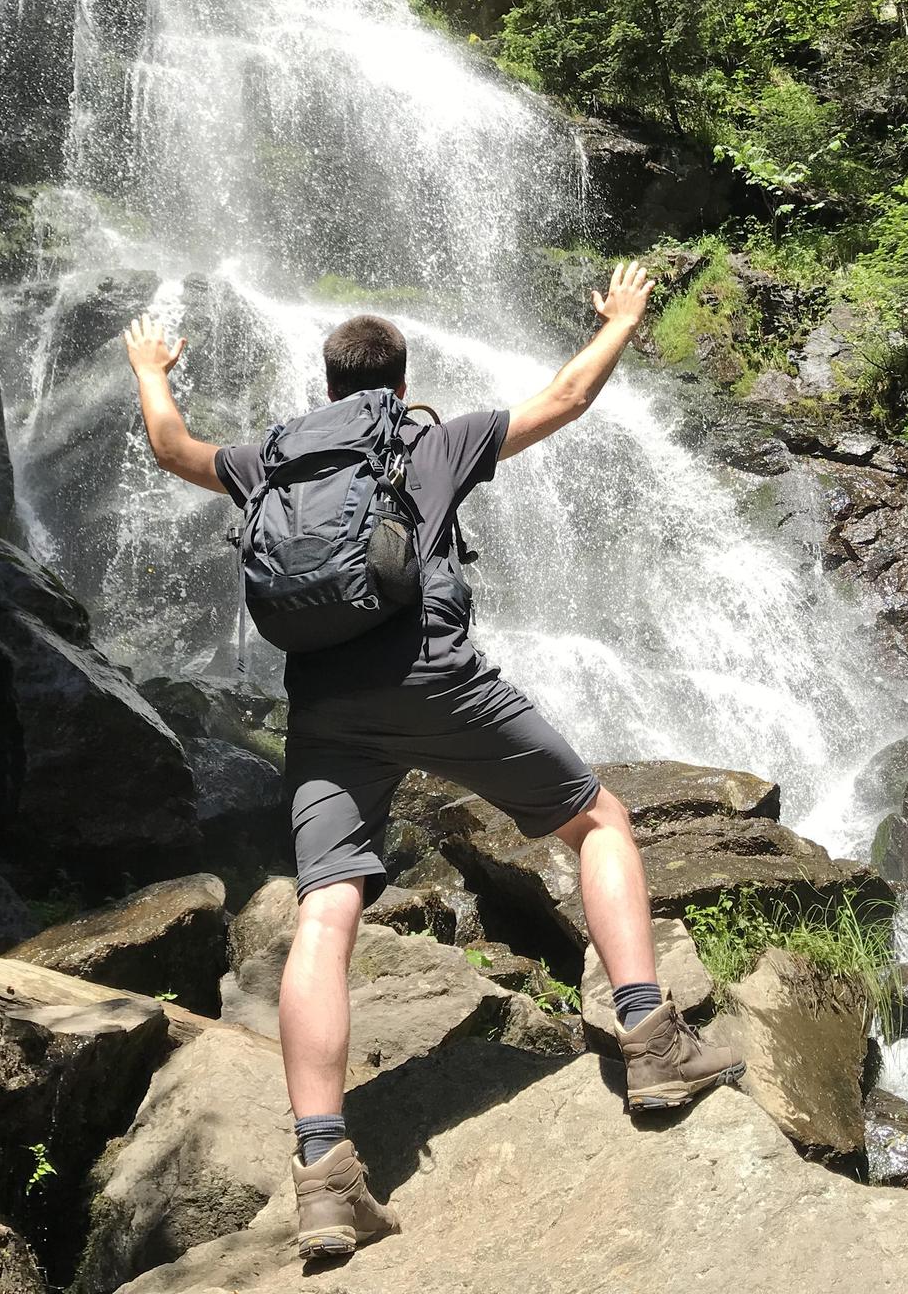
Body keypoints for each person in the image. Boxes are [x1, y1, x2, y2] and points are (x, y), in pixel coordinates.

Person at [120, 260, 743, 1262]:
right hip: (439, 683)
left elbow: (171, 448)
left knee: (325, 910)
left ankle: (324, 1176)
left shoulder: (271, 458)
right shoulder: (431, 438)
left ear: (327, 386)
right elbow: (566, 398)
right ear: (399, 384)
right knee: (598, 820)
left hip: (327, 713)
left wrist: (153, 370)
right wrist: (622, 320)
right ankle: (651, 1040)